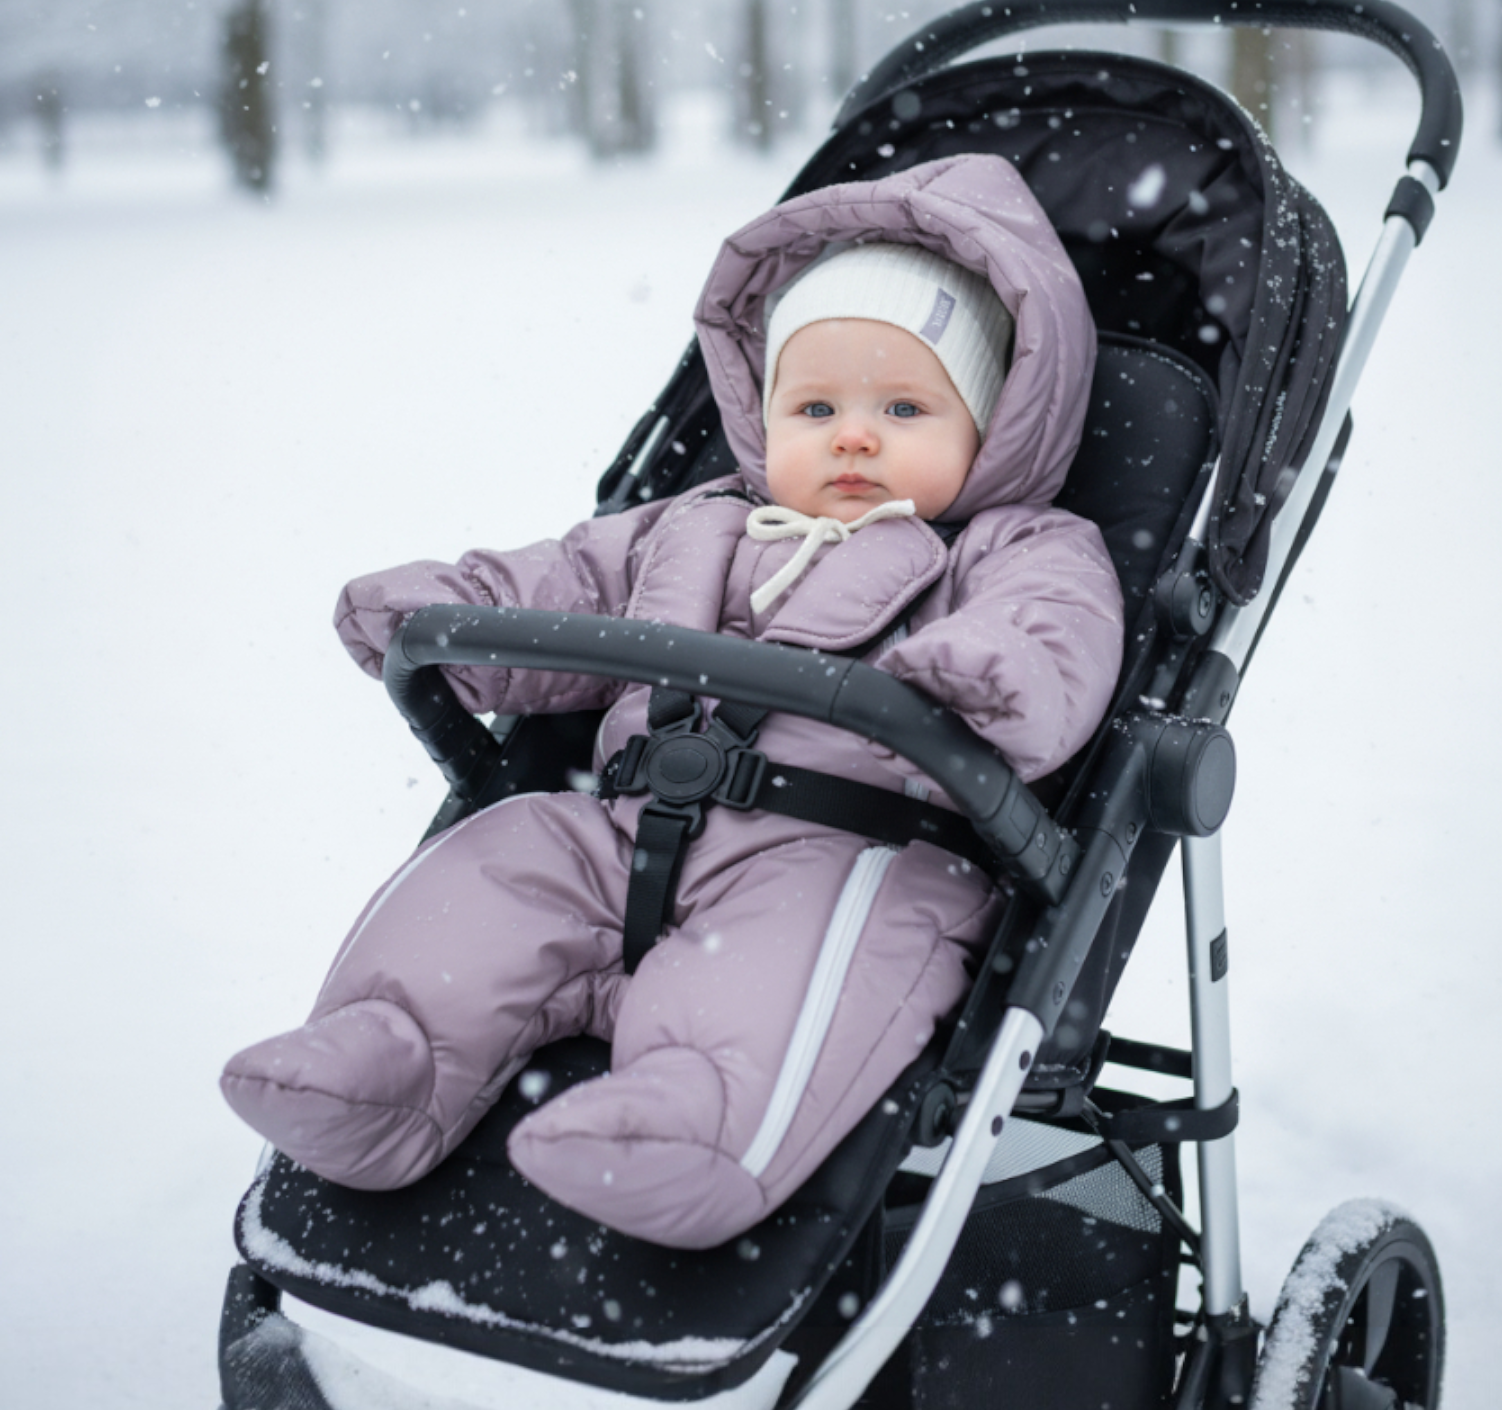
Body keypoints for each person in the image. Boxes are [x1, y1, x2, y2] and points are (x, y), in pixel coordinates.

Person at [221, 153, 1123, 1250]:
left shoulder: (1009, 547)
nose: (852, 434)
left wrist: (985, 677)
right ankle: (387, 1056)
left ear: (994, 424)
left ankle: (687, 1127)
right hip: (621, 824)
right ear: (762, 412)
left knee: (800, 968)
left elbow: (1053, 636)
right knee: (501, 861)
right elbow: (563, 584)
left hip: (840, 853)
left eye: (904, 405)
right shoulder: (693, 523)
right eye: (816, 404)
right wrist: (451, 611)